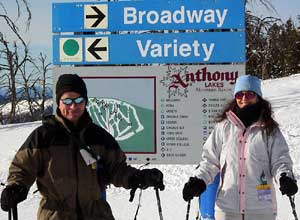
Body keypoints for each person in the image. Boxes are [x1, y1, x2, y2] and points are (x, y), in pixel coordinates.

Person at [0, 74, 164, 220]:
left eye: (79, 100)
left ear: (85, 102)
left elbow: (116, 169)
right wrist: (16, 187)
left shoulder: (99, 136)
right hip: (55, 215)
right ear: (59, 102)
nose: (73, 106)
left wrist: (137, 177)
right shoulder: (43, 136)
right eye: (68, 101)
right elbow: (22, 167)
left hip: (96, 214)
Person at [182, 75, 298, 220]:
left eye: (249, 94)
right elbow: (210, 161)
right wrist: (199, 180)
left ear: (258, 97)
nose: (244, 98)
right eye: (239, 94)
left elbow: (280, 161)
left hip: (261, 209)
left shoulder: (269, 129)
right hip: (227, 209)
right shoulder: (223, 127)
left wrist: (285, 177)